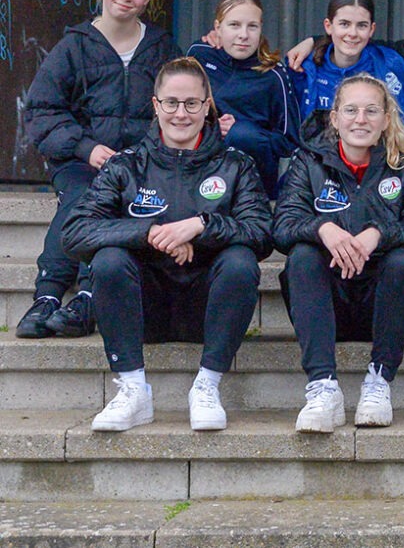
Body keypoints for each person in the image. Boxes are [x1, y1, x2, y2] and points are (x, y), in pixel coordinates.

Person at [60, 57, 270, 432]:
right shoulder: (126, 165)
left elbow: (262, 232)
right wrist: (151, 233)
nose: (181, 113)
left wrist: (200, 226)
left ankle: (207, 386)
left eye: (192, 103)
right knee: (108, 259)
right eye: (171, 103)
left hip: (208, 309)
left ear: (207, 107)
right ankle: (132, 390)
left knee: (241, 260)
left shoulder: (236, 164)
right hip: (145, 309)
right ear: (156, 105)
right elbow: (75, 232)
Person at [19, 0, 178, 340]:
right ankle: (48, 296)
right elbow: (41, 110)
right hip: (81, 160)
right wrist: (86, 148)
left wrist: (144, 153)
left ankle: (89, 296)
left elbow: (178, 109)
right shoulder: (74, 46)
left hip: (141, 164)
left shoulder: (162, 48)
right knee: (83, 196)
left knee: (112, 200)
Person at [272, 74, 404, 432]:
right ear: (334, 118)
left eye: (371, 111)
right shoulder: (308, 160)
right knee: (302, 255)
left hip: (381, 306)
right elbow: (282, 228)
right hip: (326, 305)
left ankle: (379, 381)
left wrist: (377, 233)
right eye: (350, 110)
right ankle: (323, 388)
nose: (360, 119)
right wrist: (323, 227)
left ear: (385, 119)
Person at [187, 0, 300, 198]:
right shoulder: (198, 55)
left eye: (252, 26)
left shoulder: (273, 75)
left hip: (253, 185)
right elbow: (176, 109)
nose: (243, 35)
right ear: (217, 28)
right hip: (198, 173)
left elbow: (289, 142)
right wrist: (211, 127)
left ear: (261, 29)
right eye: (234, 25)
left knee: (240, 134)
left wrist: (245, 133)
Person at [291, 0, 404, 136]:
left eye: (361, 25)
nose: (352, 33)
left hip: (377, 157)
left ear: (372, 29)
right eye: (344, 24)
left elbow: (403, 130)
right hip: (313, 157)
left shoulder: (391, 65)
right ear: (328, 26)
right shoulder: (302, 67)